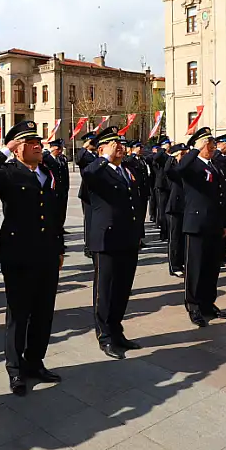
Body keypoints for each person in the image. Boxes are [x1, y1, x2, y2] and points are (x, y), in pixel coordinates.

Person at [0, 121, 65, 396]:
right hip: (18, 254)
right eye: (31, 142)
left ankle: (35, 362)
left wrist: (59, 247)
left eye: (38, 141)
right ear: (17, 148)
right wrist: (4, 150)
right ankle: (15, 370)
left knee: (43, 312)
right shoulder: (7, 172)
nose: (39, 145)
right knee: (19, 313)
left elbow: (54, 214)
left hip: (47, 253)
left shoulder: (48, 172)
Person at [81, 127, 143, 360]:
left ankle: (117, 332)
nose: (119, 146)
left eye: (120, 143)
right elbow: (87, 175)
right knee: (105, 291)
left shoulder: (127, 170)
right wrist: (103, 158)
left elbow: (135, 202)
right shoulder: (98, 171)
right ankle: (105, 337)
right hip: (106, 239)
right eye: (112, 144)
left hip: (127, 238)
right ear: (101, 149)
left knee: (122, 289)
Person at [176, 127, 226, 327]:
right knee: (195, 269)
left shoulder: (215, 166)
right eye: (207, 144)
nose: (211, 147)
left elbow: (223, 197)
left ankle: (208, 304)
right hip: (197, 224)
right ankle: (193, 306)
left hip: (215, 225)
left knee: (211, 268)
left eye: (212, 144)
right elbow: (179, 169)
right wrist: (194, 149)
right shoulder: (192, 166)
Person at [163, 143, 187, 277]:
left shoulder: (186, 168)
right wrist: (172, 158)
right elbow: (167, 170)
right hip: (174, 208)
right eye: (181, 154)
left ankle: (183, 262)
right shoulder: (173, 169)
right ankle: (174, 266)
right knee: (175, 238)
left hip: (186, 207)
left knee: (184, 238)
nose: (184, 157)